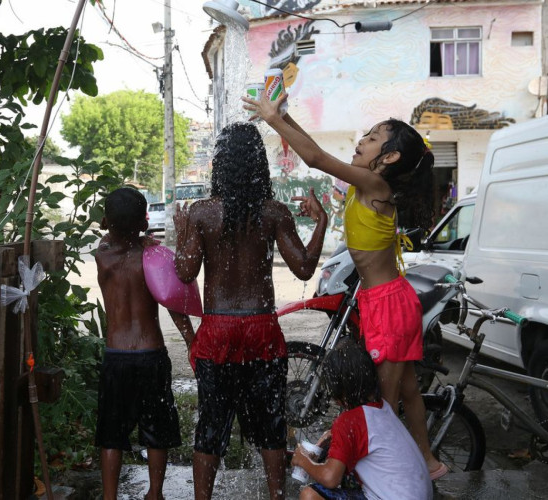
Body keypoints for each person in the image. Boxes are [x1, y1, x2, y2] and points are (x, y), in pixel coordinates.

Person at [243, 91, 446, 479]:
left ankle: (376, 474)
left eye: (372, 138)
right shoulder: (366, 185)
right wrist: (283, 116)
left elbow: (317, 159)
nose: (362, 140)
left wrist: (272, 119)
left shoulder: (375, 186)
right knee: (406, 390)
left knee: (380, 404)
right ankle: (429, 462)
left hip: (387, 304)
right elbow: (318, 152)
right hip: (385, 300)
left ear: (389, 158)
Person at [174, 121, 328, 500]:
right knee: (271, 422)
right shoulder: (273, 212)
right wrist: (322, 221)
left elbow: (184, 272)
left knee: (211, 424)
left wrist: (181, 232)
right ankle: (276, 496)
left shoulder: (202, 212)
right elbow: (305, 267)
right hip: (262, 327)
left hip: (218, 329)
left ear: (220, 165)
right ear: (259, 164)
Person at [95, 187, 196, 500]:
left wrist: (116, 226)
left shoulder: (102, 255)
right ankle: (155, 493)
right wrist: (193, 343)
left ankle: (110, 497)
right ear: (144, 222)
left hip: (117, 356)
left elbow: (112, 235)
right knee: (156, 431)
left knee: (112, 436)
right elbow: (175, 303)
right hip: (151, 354)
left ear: (106, 222)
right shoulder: (152, 257)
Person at [292, 338, 433, 500]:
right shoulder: (382, 408)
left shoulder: (349, 421)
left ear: (338, 390)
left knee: (309, 495)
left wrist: (303, 461)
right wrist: (331, 441)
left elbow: (330, 478)